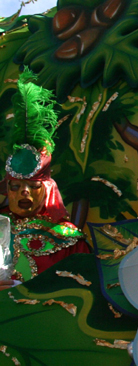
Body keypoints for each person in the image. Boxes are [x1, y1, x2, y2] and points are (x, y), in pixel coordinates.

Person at [1, 69, 89, 290]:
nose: (24, 192)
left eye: (33, 186)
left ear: (48, 189)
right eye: (16, 186)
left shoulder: (68, 239)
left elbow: (82, 288)